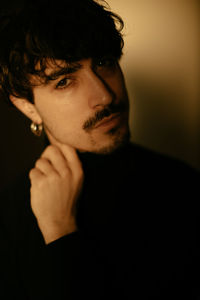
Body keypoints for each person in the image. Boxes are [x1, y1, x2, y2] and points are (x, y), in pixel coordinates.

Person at [0, 0, 199, 299]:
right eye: (65, 81)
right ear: (28, 107)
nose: (105, 97)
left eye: (105, 62)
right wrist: (58, 230)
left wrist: (60, 231)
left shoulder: (183, 187)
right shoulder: (8, 221)